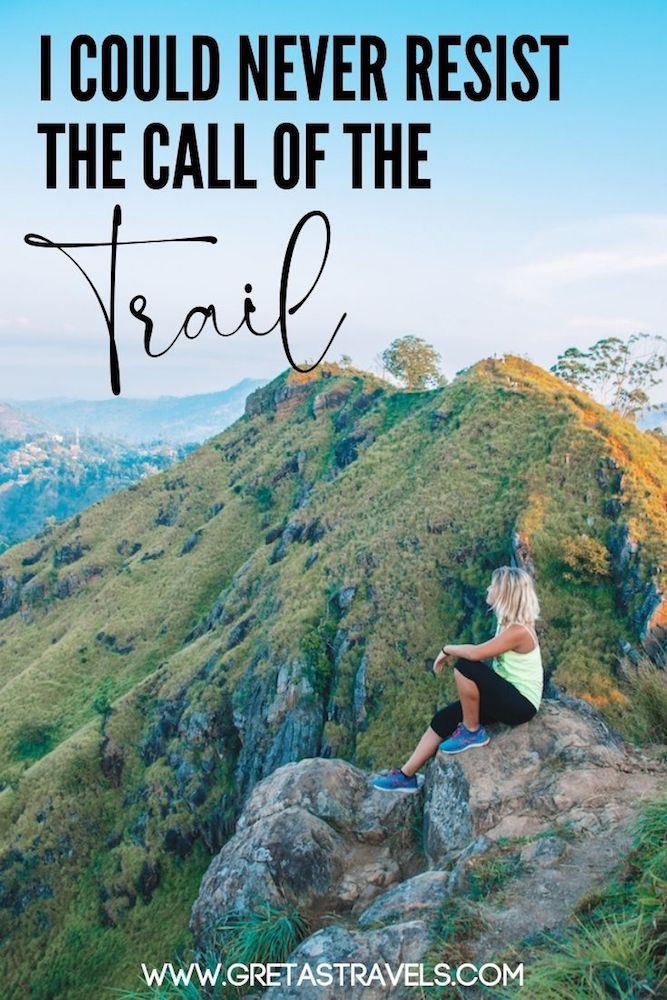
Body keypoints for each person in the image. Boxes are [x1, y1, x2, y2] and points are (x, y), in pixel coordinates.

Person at [373, 566, 543, 793]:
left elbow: (476, 654)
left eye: (493, 585)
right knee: (443, 719)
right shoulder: (508, 623)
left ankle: (471, 731)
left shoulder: (519, 631)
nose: (488, 588)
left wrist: (446, 650)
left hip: (521, 704)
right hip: (506, 696)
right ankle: (406, 776)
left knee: (466, 666)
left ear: (504, 593)